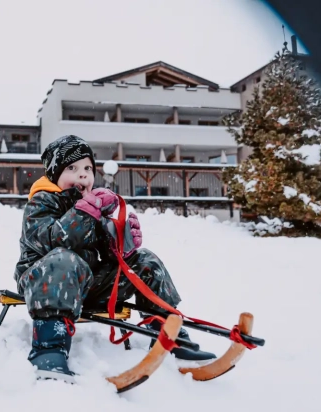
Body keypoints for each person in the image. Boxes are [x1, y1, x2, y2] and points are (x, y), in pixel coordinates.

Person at [14, 135, 215, 381]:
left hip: (88, 285)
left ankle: (168, 331)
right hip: (45, 281)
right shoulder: (41, 202)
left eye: (88, 168)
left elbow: (110, 256)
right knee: (64, 259)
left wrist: (122, 240)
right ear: (54, 174)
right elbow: (54, 240)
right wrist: (83, 212)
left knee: (145, 261)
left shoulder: (92, 206)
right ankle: (49, 348)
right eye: (72, 168)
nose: (83, 174)